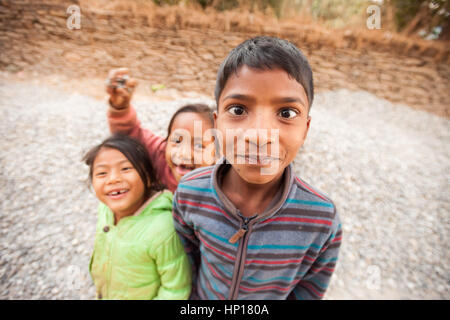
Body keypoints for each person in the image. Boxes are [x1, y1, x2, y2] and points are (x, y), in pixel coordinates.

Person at [172, 36, 342, 300]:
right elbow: (187, 260)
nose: (260, 135)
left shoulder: (321, 219)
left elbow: (309, 290)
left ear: (306, 129)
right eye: (238, 109)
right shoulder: (189, 191)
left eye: (286, 113)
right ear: (217, 123)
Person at [83, 134, 191, 299]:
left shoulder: (163, 229)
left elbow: (175, 289)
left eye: (126, 169)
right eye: (102, 173)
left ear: (148, 177)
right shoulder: (105, 209)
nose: (113, 179)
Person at [106, 68, 216, 192]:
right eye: (177, 141)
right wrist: (121, 107)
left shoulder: (222, 186)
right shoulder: (161, 157)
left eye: (199, 145)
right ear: (166, 142)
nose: (183, 153)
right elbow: (129, 135)